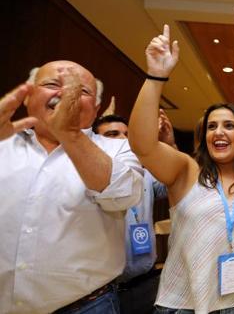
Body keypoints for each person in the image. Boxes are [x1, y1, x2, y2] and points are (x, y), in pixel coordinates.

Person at [128, 25, 234, 314]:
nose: (218, 132)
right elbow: (142, 145)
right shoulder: (186, 171)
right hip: (187, 302)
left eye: (229, 125)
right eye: (211, 126)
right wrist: (156, 76)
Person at [0, 61, 144, 313]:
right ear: (27, 96)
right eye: (52, 85)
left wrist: (70, 134)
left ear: (97, 109)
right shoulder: (4, 141)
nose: (66, 94)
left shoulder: (116, 147)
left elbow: (124, 195)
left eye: (81, 91)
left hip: (87, 305)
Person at [92, 112, 175, 314]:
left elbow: (174, 182)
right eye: (112, 134)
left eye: (126, 135)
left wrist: (169, 146)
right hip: (104, 293)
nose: (122, 140)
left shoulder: (144, 174)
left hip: (147, 283)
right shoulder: (86, 178)